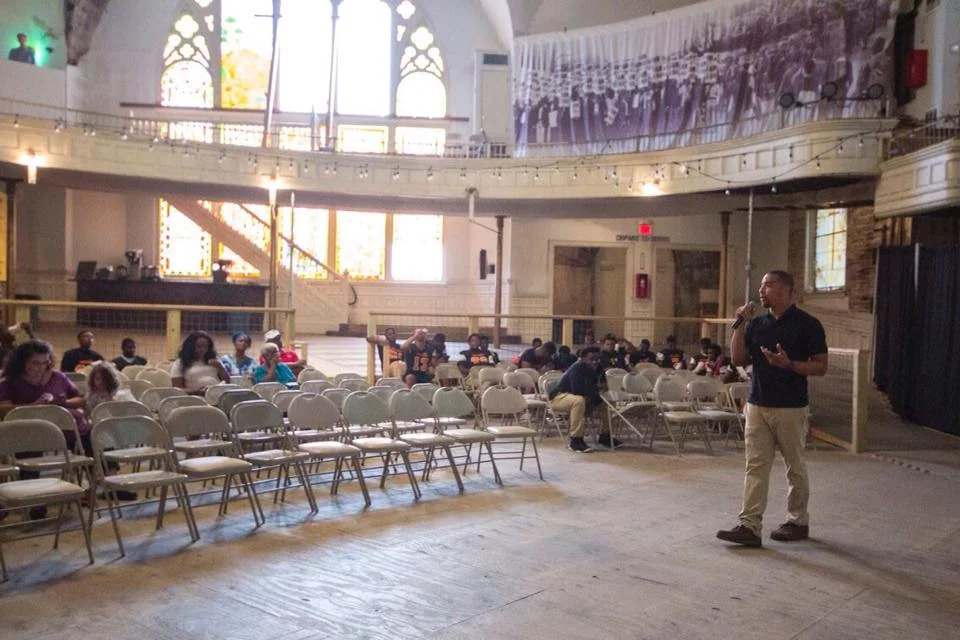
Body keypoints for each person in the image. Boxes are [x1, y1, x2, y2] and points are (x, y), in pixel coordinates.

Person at [717, 271, 828, 548]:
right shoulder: (757, 324)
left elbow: (820, 366)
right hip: (757, 403)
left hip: (791, 407)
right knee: (755, 466)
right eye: (762, 285)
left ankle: (797, 521)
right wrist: (739, 325)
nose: (761, 290)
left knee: (795, 466)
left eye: (768, 285)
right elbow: (739, 358)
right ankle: (749, 526)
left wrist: (789, 364)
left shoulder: (808, 325)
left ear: (786, 289)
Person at [0, 340, 88, 450]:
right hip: (28, 434)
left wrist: (64, 403)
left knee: (94, 436)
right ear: (22, 362)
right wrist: (33, 406)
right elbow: (3, 410)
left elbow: (80, 399)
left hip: (65, 432)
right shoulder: (11, 382)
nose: (41, 367)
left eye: (45, 363)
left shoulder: (58, 377)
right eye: (36, 363)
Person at [548, 347, 621, 452]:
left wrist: (596, 389)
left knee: (608, 403)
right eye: (591, 359)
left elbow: (605, 387)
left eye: (597, 359)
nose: (595, 361)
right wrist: (597, 388)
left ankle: (605, 436)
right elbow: (578, 391)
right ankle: (576, 440)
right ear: (582, 359)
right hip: (559, 397)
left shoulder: (599, 368)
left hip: (582, 397)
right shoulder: (577, 368)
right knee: (579, 400)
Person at [171, 331, 230, 395]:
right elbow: (177, 390)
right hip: (195, 398)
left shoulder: (214, 360)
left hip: (217, 395)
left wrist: (219, 367)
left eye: (206, 347)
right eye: (199, 346)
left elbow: (227, 381)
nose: (202, 349)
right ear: (190, 347)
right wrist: (197, 391)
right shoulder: (180, 363)